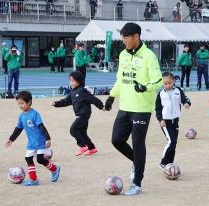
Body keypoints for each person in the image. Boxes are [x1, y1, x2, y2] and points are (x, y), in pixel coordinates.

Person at [104, 23, 162, 196]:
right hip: (125, 106)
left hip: (142, 108)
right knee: (116, 140)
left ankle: (137, 182)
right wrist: (111, 96)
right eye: (122, 37)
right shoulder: (123, 55)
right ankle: (136, 162)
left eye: (126, 37)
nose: (124, 41)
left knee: (137, 143)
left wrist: (145, 87)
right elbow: (120, 79)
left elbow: (158, 81)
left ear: (136, 36)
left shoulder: (149, 56)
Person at [5, 91, 61, 186]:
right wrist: (11, 139)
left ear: (29, 102)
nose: (20, 106)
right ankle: (34, 181)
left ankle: (55, 169)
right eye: (18, 103)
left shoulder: (35, 114)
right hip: (31, 143)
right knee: (28, 159)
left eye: (22, 103)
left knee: (40, 159)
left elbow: (41, 126)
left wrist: (48, 138)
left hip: (40, 141)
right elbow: (18, 129)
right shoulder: (21, 116)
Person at [52, 71, 104, 156]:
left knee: (73, 129)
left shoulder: (82, 91)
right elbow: (66, 101)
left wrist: (101, 106)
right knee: (82, 132)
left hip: (84, 114)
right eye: (70, 81)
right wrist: (57, 103)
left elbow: (93, 99)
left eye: (73, 81)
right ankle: (92, 148)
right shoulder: (72, 92)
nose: (70, 83)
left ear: (79, 81)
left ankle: (83, 146)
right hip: (81, 114)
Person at [155, 72, 191, 169]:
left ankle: (169, 163)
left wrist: (186, 103)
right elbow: (158, 109)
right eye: (165, 84)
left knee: (174, 143)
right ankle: (163, 162)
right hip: (165, 122)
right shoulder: (160, 94)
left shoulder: (178, 90)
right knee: (171, 141)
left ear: (173, 81)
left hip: (175, 121)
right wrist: (160, 120)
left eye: (169, 83)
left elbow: (185, 99)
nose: (168, 85)